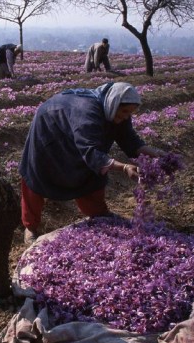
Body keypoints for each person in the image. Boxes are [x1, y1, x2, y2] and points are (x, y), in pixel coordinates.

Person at [18, 82, 167, 244]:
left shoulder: (115, 110)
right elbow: (91, 152)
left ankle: (98, 213)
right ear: (114, 102)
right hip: (50, 132)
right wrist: (124, 167)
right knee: (38, 177)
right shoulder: (87, 112)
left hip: (77, 134)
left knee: (89, 174)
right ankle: (30, 227)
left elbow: (130, 140)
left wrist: (155, 153)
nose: (125, 117)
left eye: (129, 114)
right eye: (124, 112)